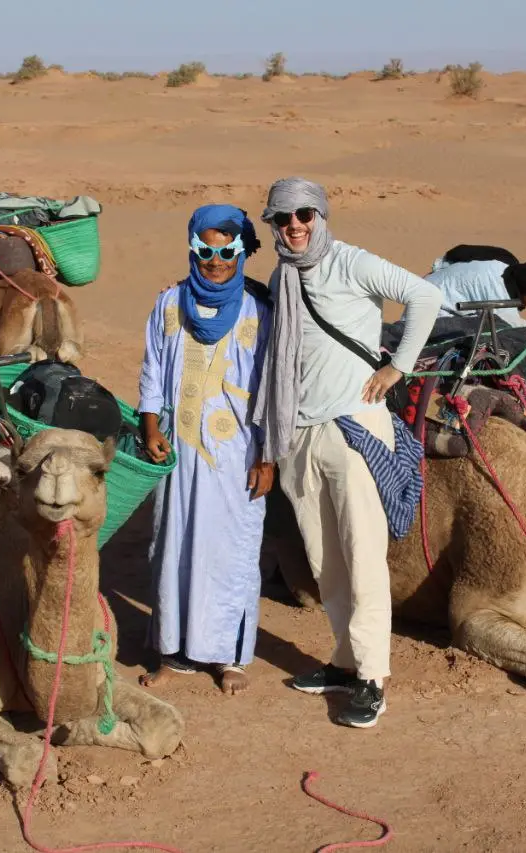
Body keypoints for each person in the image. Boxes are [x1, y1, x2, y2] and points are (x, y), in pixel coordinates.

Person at [251, 177, 441, 728]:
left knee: (362, 558)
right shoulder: (283, 275)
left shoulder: (351, 262)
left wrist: (396, 367)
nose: (295, 226)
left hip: (353, 427)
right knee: (324, 560)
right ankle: (343, 661)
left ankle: (372, 678)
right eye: (283, 218)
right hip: (301, 433)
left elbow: (425, 296)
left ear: (321, 215)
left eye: (304, 215)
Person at [137, 204, 274, 696]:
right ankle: (173, 652)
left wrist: (268, 456)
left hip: (238, 455)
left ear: (242, 253)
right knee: (172, 548)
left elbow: (273, 390)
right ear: (192, 248)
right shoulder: (169, 304)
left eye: (226, 251)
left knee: (232, 551)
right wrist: (150, 424)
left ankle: (228, 656)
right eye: (205, 250)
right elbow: (153, 369)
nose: (215, 261)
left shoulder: (261, 309)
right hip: (177, 454)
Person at [426, 244, 526, 326]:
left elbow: (459, 252)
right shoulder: (499, 297)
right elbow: (513, 327)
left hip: (432, 280)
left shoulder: (505, 261)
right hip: (428, 309)